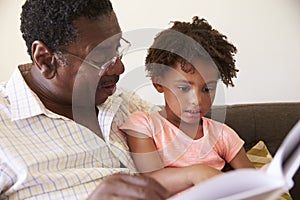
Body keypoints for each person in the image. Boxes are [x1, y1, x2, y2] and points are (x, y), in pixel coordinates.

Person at [0, 0, 174, 199]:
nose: (119, 69)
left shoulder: (125, 103)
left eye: (116, 50)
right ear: (45, 60)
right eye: (100, 58)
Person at [120, 16, 254, 195]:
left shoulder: (222, 135)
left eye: (207, 89)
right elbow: (150, 181)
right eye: (183, 88)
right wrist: (196, 173)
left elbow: (253, 182)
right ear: (158, 83)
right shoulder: (144, 125)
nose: (197, 100)